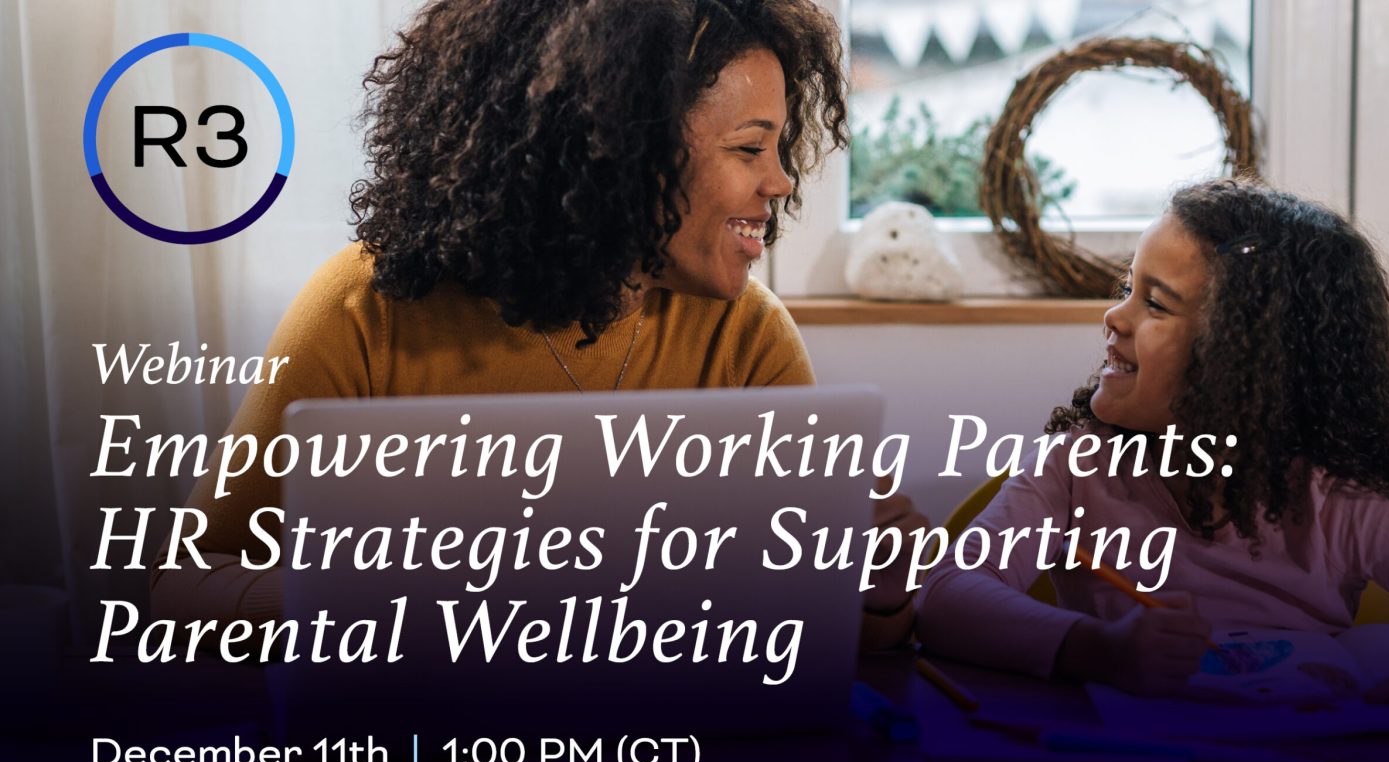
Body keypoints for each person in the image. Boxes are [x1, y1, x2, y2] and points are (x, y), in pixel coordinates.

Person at [149, 0, 926, 646]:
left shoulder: (746, 337)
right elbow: (183, 587)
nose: (782, 179)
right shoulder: (368, 308)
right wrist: (371, 609)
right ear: (619, 149)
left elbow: (847, 642)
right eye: (751, 146)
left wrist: (883, 583)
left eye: (782, 145)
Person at [917, 178, 1389, 743]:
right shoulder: (1076, 467)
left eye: (1155, 304)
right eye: (1127, 288)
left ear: (1246, 360)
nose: (1114, 318)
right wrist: (1100, 649)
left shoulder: (1342, 496)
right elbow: (943, 596)